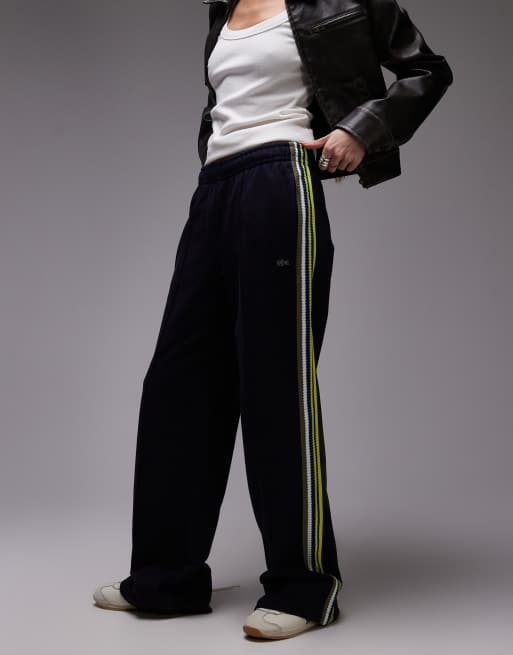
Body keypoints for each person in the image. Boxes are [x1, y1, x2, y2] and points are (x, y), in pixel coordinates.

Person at [93, 0, 452, 640]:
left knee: (275, 386)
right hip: (215, 189)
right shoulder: (222, 8)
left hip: (280, 181)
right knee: (178, 387)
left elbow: (427, 69)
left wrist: (360, 131)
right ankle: (166, 577)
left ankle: (304, 588)